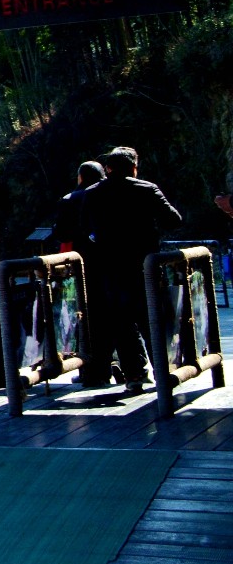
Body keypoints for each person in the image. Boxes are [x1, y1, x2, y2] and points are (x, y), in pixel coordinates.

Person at [78, 145, 184, 394]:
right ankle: (163, 371)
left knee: (121, 323)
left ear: (108, 168)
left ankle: (134, 374)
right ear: (134, 168)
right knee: (152, 321)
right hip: (145, 266)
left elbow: (84, 228)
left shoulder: (93, 193)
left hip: (111, 268)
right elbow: (174, 220)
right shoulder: (148, 189)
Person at [55, 160, 104, 255]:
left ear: (80, 177)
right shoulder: (111, 194)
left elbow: (62, 235)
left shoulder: (69, 199)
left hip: (78, 253)